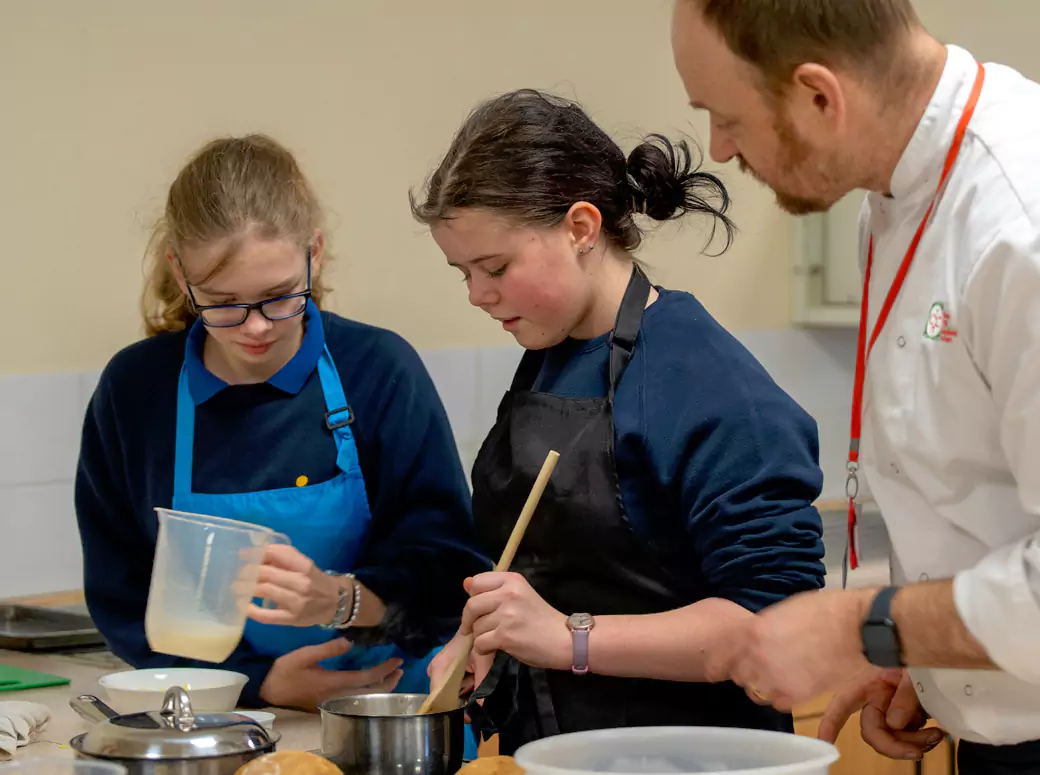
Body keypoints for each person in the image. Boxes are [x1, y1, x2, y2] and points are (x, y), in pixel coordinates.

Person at [670, 1, 1040, 773]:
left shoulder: (1039, 222)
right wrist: (931, 660)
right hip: (1015, 733)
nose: (718, 149)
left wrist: (863, 624)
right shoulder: (899, 200)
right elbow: (989, 503)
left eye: (724, 117)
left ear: (819, 96)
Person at [413, 89, 827, 753]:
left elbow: (775, 620)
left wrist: (567, 638)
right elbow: (546, 570)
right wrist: (488, 642)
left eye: (495, 267)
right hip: (556, 753)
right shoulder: (549, 354)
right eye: (462, 272)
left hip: (696, 759)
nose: (477, 295)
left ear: (581, 227)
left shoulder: (708, 384)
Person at [76, 134, 490, 717]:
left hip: (388, 711)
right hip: (216, 717)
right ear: (178, 270)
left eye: (278, 297)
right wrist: (257, 682)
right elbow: (122, 595)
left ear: (313, 253)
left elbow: (450, 573)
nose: (255, 329)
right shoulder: (135, 391)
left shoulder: (377, 369)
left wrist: (344, 599)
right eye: (221, 303)